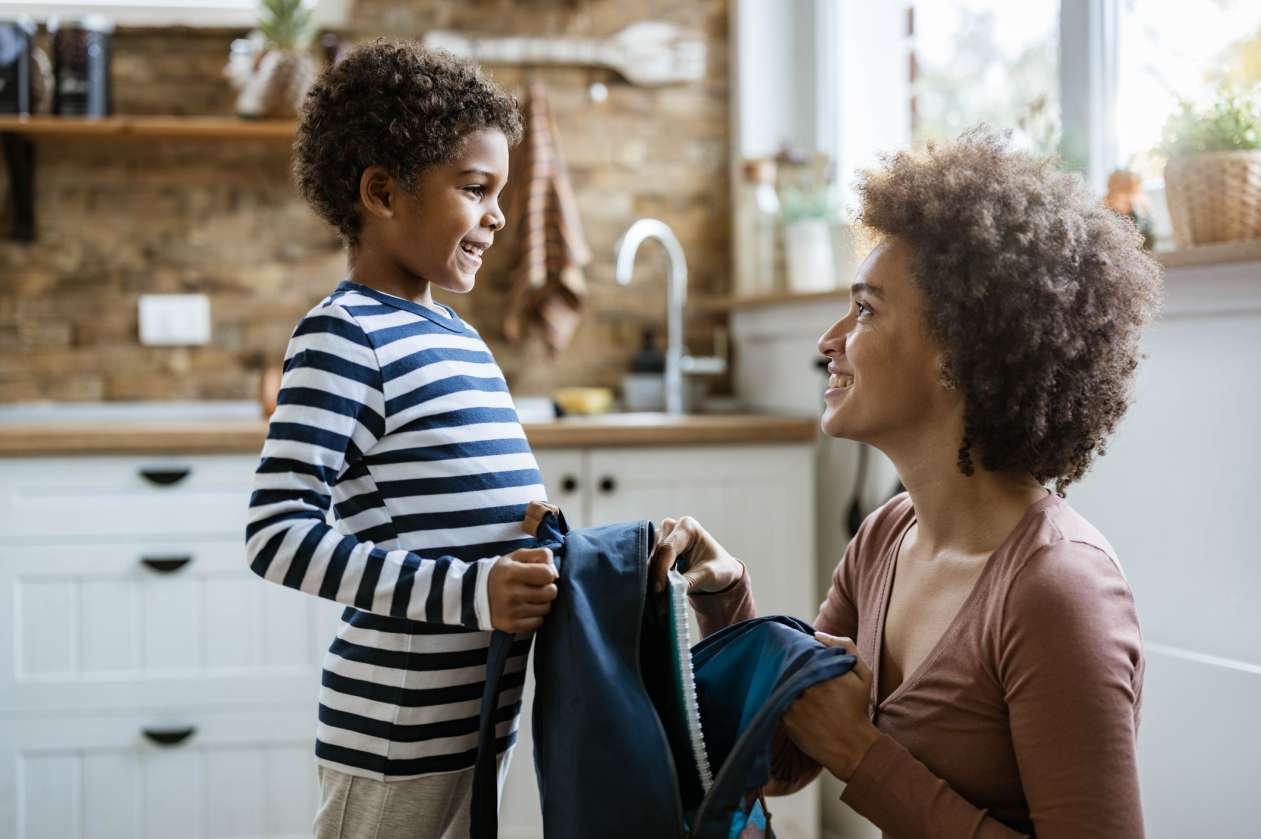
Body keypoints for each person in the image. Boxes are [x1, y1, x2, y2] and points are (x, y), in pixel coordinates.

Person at [650, 131, 1161, 838]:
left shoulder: (1057, 591)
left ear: (958, 354)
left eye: (864, 309)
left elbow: (841, 747)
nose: (829, 341)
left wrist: (861, 755)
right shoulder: (886, 535)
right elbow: (785, 753)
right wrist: (722, 595)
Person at [245, 40, 558, 839]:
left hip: (478, 725)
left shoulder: (456, 334)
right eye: (474, 189)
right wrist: (472, 593)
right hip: (393, 734)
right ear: (383, 192)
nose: (495, 215)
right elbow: (276, 534)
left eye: (500, 192)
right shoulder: (345, 334)